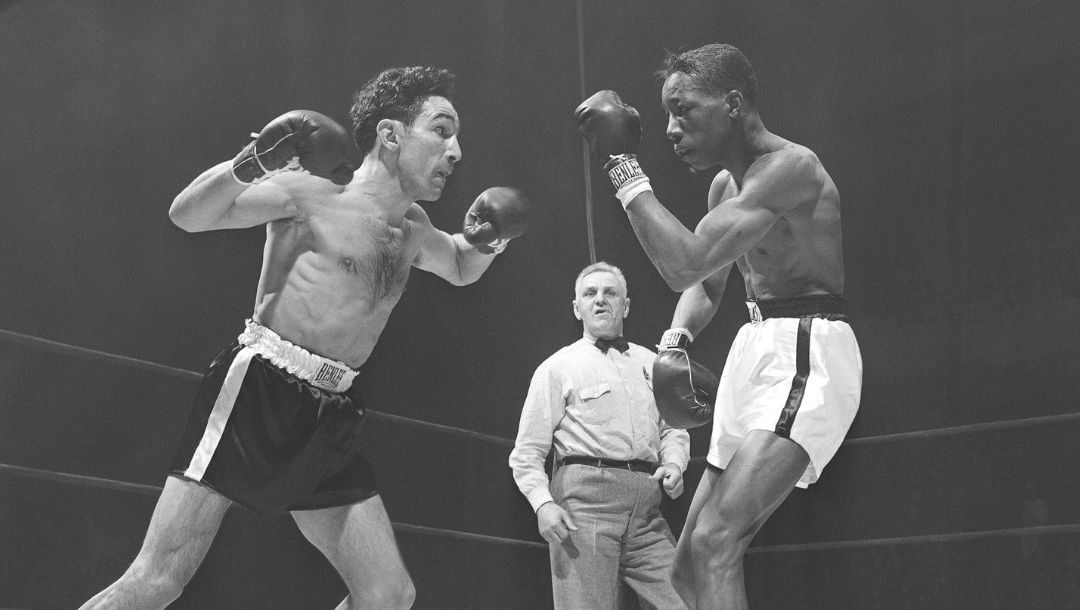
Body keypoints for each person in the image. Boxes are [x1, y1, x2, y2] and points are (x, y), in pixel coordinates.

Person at [81, 66, 530, 609]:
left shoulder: (414, 229)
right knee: (159, 579)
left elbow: (459, 265)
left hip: (331, 410)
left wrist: (491, 240)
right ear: (390, 135)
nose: (456, 151)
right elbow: (189, 216)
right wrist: (252, 163)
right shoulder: (313, 191)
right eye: (441, 130)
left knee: (387, 594)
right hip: (259, 390)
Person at [575, 44, 863, 609]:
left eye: (684, 110)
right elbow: (706, 283)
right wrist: (676, 339)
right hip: (753, 348)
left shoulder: (791, 168)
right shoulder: (723, 189)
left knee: (714, 543)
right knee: (685, 570)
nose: (671, 129)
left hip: (806, 348)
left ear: (732, 103)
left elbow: (685, 259)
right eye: (666, 116)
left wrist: (623, 169)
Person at [509, 261, 691, 610]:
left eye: (610, 293)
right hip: (584, 505)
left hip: (647, 509)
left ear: (626, 305)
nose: (600, 300)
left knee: (685, 602)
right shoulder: (557, 367)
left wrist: (675, 464)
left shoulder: (654, 364)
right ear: (577, 308)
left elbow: (673, 427)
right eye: (590, 293)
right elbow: (527, 451)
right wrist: (542, 503)